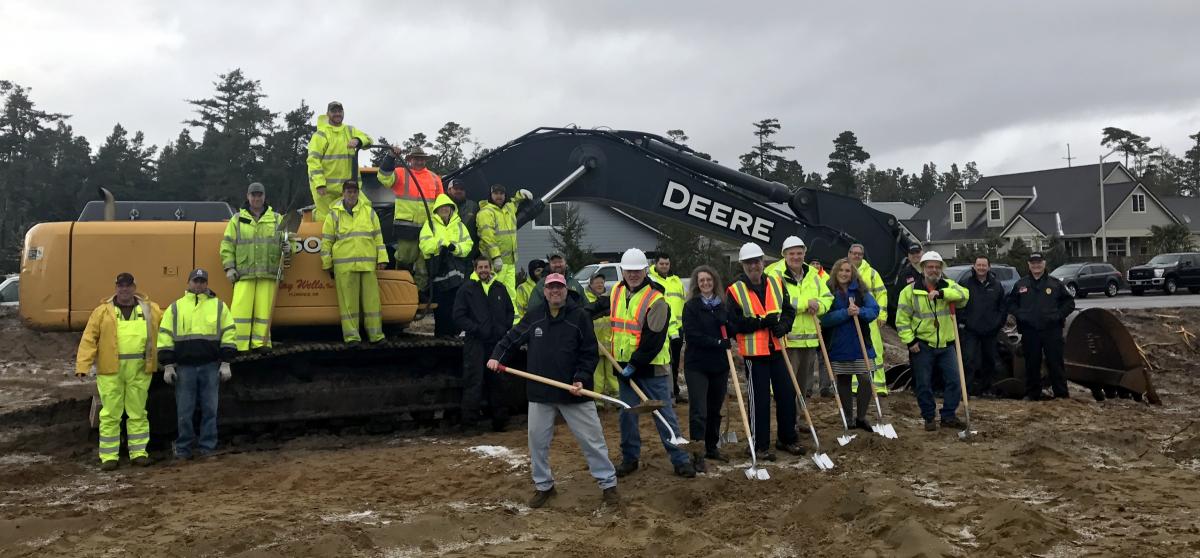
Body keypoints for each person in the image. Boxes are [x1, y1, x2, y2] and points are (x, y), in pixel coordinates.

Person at [488, 273, 618, 509]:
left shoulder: (579, 317)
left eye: (559, 287)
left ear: (566, 290)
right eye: (551, 287)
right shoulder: (535, 316)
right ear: (544, 291)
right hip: (540, 393)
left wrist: (581, 378)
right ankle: (544, 487)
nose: (555, 291)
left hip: (574, 392)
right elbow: (512, 337)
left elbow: (589, 353)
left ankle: (608, 485)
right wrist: (497, 356)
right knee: (537, 442)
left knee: (592, 441)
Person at [608, 248, 695, 478]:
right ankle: (630, 458)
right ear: (623, 271)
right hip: (624, 367)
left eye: (637, 271)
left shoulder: (656, 299)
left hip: (651, 368)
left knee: (663, 414)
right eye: (628, 271)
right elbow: (604, 311)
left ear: (646, 271)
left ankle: (680, 460)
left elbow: (653, 339)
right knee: (627, 415)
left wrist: (634, 364)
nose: (633, 275)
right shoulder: (617, 292)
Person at [75, 273, 163, 470]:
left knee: (138, 412)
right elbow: (89, 338)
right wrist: (83, 365)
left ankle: (139, 453)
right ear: (116, 288)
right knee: (110, 414)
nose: (124, 289)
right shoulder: (102, 312)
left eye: (128, 285)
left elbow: (167, 326)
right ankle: (109, 457)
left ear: (134, 287)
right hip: (110, 370)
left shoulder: (150, 309)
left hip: (140, 369)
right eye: (121, 285)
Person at [726, 242, 801, 460]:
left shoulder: (776, 283)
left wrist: (784, 326)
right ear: (743, 265)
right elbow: (733, 324)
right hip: (754, 354)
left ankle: (787, 438)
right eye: (749, 263)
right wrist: (760, 323)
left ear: (762, 262)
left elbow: (788, 311)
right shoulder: (735, 290)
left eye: (757, 261)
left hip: (778, 349)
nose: (754, 266)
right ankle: (760, 445)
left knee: (787, 395)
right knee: (759, 401)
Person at [157, 269, 237, 459]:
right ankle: (183, 448)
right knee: (184, 411)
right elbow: (165, 335)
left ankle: (207, 448)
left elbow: (229, 333)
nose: (199, 285)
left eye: (202, 281)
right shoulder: (176, 308)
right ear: (188, 282)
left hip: (210, 366)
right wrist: (168, 365)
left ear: (207, 283)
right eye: (195, 281)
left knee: (210, 410)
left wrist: (226, 362)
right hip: (185, 368)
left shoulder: (219, 306)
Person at [895, 251, 970, 431]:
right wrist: (910, 341)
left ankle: (948, 415)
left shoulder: (949, 285)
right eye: (930, 266)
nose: (934, 270)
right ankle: (929, 417)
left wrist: (942, 293)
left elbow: (964, 296)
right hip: (922, 345)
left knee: (955, 380)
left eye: (937, 267)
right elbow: (902, 320)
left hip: (946, 344)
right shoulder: (910, 292)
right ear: (922, 268)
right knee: (923, 383)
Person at [220, 182, 290, 352]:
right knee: (239, 313)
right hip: (244, 274)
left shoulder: (276, 219)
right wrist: (229, 268)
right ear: (248, 196)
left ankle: (262, 343)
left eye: (259, 195)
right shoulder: (237, 219)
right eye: (254, 195)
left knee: (264, 313)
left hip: (268, 273)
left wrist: (289, 248)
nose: (257, 198)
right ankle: (238, 345)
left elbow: (288, 241)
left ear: (264, 197)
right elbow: (227, 245)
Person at [320, 180, 389, 344]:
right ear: (343, 193)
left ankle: (376, 335)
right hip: (344, 266)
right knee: (348, 304)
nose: (352, 195)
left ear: (358, 193)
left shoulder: (369, 212)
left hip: (367, 264)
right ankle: (352, 337)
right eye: (348, 192)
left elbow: (378, 237)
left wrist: (382, 258)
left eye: (354, 191)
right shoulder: (333, 214)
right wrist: (326, 262)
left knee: (372, 303)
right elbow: (327, 241)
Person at [454, 255, 514, 432]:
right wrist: (476, 328)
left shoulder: (499, 288)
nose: (483, 270)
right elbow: (458, 315)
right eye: (480, 267)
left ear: (490, 269)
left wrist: (503, 328)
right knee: (474, 381)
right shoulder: (467, 290)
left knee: (498, 381)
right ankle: (470, 424)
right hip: (476, 343)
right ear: (475, 269)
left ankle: (500, 421)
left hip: (496, 343)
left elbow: (510, 311)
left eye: (486, 267)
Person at [768, 236, 833, 398]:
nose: (796, 257)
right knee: (788, 384)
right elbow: (778, 301)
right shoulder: (775, 275)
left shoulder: (812, 274)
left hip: (809, 340)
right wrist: (807, 303)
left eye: (799, 253)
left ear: (804, 254)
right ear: (784, 254)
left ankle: (800, 419)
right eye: (792, 253)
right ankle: (790, 421)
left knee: (804, 386)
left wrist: (819, 305)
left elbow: (828, 297)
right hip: (788, 340)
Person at [681, 265, 732, 470]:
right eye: (701, 280)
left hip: (719, 365)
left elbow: (731, 328)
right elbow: (692, 335)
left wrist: (727, 324)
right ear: (697, 283)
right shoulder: (691, 306)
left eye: (709, 280)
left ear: (715, 282)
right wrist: (717, 342)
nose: (705, 283)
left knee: (714, 409)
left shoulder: (722, 306)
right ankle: (697, 453)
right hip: (697, 365)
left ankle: (712, 447)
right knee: (699, 411)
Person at [819, 259, 879, 431]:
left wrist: (860, 311)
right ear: (836, 272)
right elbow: (825, 318)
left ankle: (861, 416)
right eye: (841, 270)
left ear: (852, 273)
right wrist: (845, 313)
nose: (844, 274)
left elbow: (874, 310)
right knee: (844, 380)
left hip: (861, 344)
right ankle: (848, 417)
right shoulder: (828, 290)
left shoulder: (860, 290)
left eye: (848, 271)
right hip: (839, 344)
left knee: (866, 379)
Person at [1006, 252, 1075, 401]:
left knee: (1055, 362)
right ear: (1029, 265)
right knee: (1032, 363)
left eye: (1039, 262)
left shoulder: (1055, 284)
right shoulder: (1021, 284)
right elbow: (1011, 303)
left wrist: (1057, 315)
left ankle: (1061, 394)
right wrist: (1020, 314)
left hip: (1052, 331)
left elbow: (1069, 303)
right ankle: (1033, 394)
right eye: (1033, 263)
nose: (1036, 265)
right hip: (1030, 331)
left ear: (1044, 264)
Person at [379, 146, 444, 294]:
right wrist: (390, 157)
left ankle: (419, 295)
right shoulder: (401, 173)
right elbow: (383, 177)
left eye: (421, 158)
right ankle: (401, 292)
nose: (419, 161)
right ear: (410, 160)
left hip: (428, 229)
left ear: (425, 160)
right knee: (404, 260)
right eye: (416, 158)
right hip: (406, 227)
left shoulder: (435, 178)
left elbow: (441, 203)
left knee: (423, 266)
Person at [306, 101, 372, 223]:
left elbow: (369, 139)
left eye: (339, 111)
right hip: (326, 191)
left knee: (366, 210)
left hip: (349, 188)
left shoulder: (350, 130)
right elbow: (313, 161)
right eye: (334, 111)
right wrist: (320, 184)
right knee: (327, 220)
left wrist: (358, 140)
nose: (337, 114)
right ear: (327, 114)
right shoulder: (321, 134)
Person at [419, 194, 474, 336]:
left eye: (447, 207)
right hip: (439, 274)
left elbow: (468, 245)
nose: (444, 209)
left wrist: (455, 248)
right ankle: (442, 336)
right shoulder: (430, 225)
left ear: (451, 209)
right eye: (441, 207)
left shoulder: (460, 225)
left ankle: (454, 335)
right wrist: (441, 244)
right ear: (436, 210)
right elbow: (424, 245)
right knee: (442, 308)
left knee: (456, 306)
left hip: (457, 275)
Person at [958, 255, 1007, 397]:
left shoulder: (996, 285)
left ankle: (986, 389)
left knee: (989, 360)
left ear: (989, 267)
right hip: (971, 331)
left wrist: (998, 323)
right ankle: (966, 390)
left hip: (990, 331)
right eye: (978, 265)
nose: (981, 268)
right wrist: (965, 321)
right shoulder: (966, 283)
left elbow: (1002, 307)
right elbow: (959, 304)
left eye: (984, 265)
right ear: (974, 266)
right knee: (969, 360)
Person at [477, 184, 533, 304]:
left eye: (501, 194)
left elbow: (515, 202)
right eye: (496, 193)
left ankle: (513, 320)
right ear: (491, 195)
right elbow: (488, 237)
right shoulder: (486, 212)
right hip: (494, 264)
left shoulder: (509, 208)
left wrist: (520, 193)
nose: (499, 196)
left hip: (510, 262)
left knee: (510, 294)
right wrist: (496, 257)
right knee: (493, 294)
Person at [847, 243, 888, 395]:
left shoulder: (871, 273)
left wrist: (882, 314)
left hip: (869, 318)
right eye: (854, 253)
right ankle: (854, 386)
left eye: (859, 253)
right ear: (849, 254)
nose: (856, 256)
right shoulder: (844, 270)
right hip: (849, 319)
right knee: (852, 351)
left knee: (875, 350)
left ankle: (878, 386)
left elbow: (881, 294)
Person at [648, 253, 686, 401]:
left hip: (677, 329)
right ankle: (664, 394)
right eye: (661, 264)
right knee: (661, 363)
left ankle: (674, 391)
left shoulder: (676, 281)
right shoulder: (651, 280)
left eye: (666, 264)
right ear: (656, 264)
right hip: (660, 328)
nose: (664, 266)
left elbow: (682, 303)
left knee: (675, 363)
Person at [584, 274, 618, 400]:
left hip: (609, 342)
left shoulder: (609, 298)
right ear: (590, 284)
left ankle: (616, 397)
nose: (599, 285)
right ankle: (598, 399)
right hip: (595, 343)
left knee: (612, 373)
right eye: (596, 282)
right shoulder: (586, 299)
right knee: (597, 374)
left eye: (601, 282)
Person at [889, 243, 925, 328]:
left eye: (917, 252)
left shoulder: (931, 270)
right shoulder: (904, 274)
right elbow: (896, 297)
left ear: (922, 253)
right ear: (908, 256)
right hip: (913, 319)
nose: (915, 255)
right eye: (912, 253)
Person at [445, 178, 479, 251]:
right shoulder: (442, 206)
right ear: (449, 190)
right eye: (456, 189)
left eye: (461, 189)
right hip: (449, 252)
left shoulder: (473, 206)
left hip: (469, 252)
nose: (459, 191)